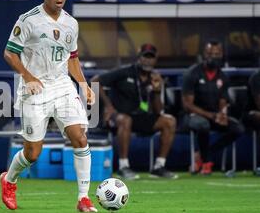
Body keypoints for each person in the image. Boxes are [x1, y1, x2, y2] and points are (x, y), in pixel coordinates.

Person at [0, 0, 97, 212]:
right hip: (35, 89)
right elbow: (10, 53)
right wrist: (29, 76)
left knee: (80, 137)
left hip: (62, 85)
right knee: (32, 153)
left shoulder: (71, 24)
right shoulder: (28, 20)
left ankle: (83, 198)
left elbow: (72, 58)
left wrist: (84, 85)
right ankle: (9, 180)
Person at [91, 44, 178, 180]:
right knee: (126, 120)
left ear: (155, 60)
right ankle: (123, 166)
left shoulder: (155, 78)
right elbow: (95, 81)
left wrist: (156, 91)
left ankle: (159, 166)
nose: (148, 60)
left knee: (169, 121)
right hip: (118, 117)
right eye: (145, 56)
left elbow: (158, 110)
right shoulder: (125, 72)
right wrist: (108, 106)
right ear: (139, 58)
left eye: (151, 57)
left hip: (141, 117)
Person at [182, 40, 244, 175]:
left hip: (214, 115)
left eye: (217, 54)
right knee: (203, 125)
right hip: (192, 116)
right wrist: (211, 116)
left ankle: (204, 154)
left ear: (221, 55)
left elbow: (223, 100)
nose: (213, 56)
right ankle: (207, 161)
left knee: (238, 128)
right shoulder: (192, 73)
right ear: (204, 54)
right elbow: (187, 105)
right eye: (210, 53)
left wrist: (222, 114)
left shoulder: (222, 76)